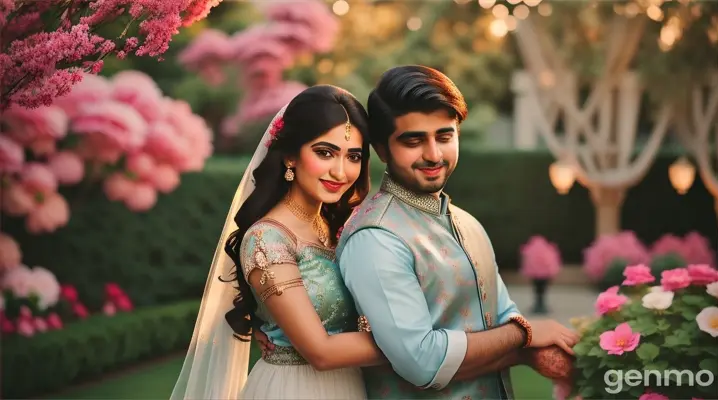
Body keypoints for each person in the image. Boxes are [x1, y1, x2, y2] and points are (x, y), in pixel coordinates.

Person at [334, 65, 579, 399]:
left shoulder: (467, 224)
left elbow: (503, 316)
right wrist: (523, 336)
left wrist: (528, 340)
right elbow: (423, 363)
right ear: (381, 149)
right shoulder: (375, 237)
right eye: (414, 140)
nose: (433, 154)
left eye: (444, 136)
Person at [170, 85, 387, 400]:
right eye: (325, 152)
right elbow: (321, 352)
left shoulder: (337, 226)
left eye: (353, 156)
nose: (341, 171)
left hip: (350, 384)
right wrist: (415, 342)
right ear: (290, 156)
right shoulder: (266, 239)